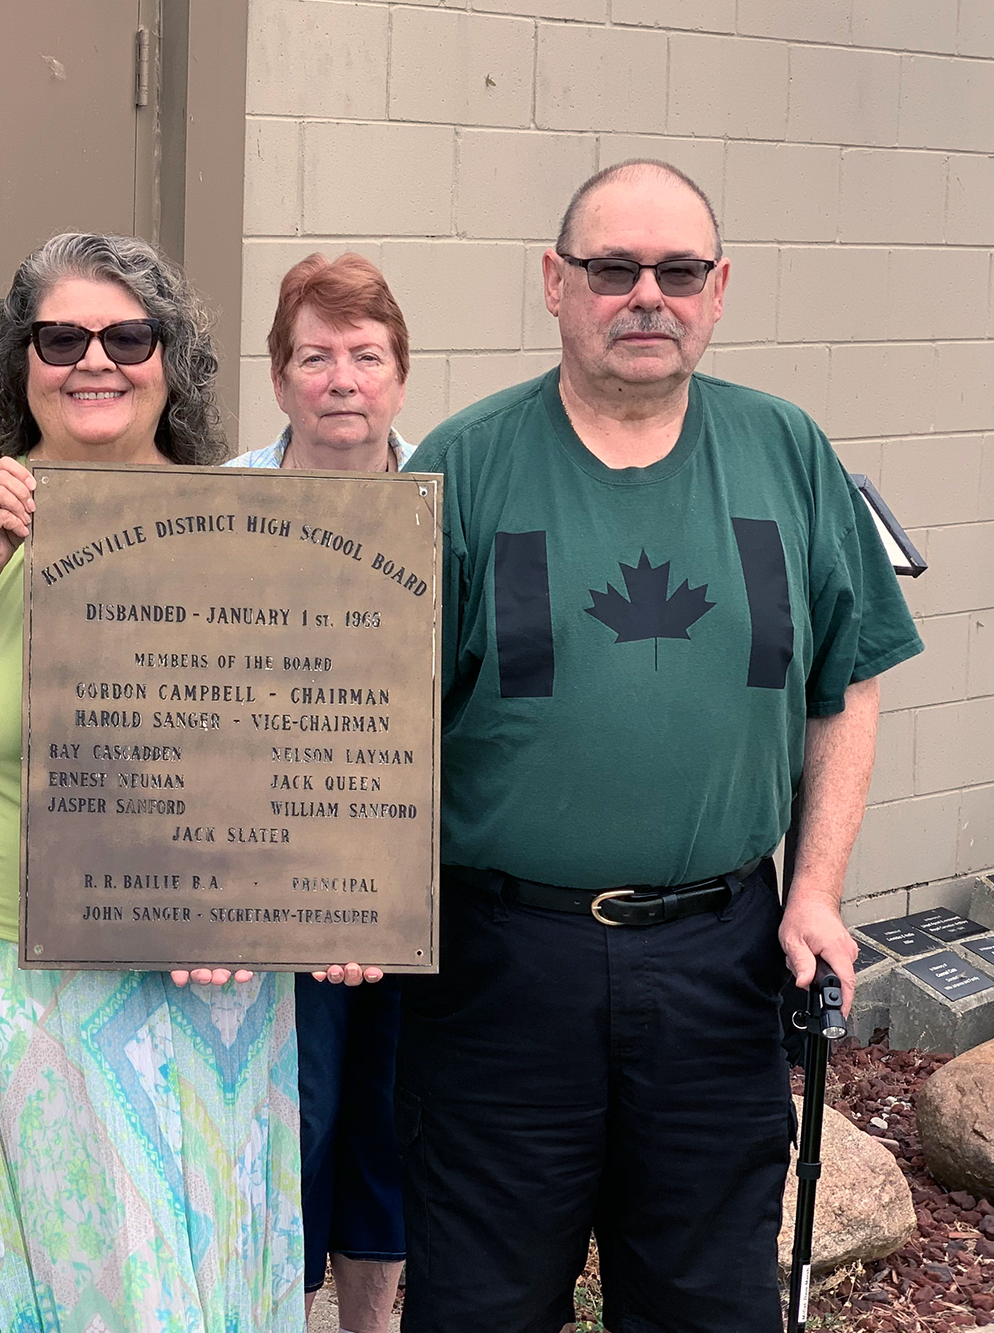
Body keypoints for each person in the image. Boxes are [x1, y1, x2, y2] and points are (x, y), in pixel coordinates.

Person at [397, 159, 923, 1332]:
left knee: (705, 1304)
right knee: (478, 1303)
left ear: (717, 288)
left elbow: (846, 679)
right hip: (500, 971)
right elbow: (370, 722)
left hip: (718, 965)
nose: (646, 295)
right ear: (552, 282)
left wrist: (817, 894)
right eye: (611, 268)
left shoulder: (784, 452)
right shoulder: (463, 465)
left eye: (676, 270)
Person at [0, 232, 305, 1332]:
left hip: (183, 964)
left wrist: (298, 905)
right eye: (61, 337)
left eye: (127, 335)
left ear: (169, 359)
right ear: (18, 362)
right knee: (3, 1269)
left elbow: (295, 748)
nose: (95, 360)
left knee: (165, 1277)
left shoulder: (243, 520)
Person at [227, 251, 410, 1333]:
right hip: (265, 872)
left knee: (389, 1114)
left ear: (397, 372)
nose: (341, 378)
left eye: (365, 354)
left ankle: (373, 1321)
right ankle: (281, 1312)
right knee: (292, 1112)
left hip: (413, 869)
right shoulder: (224, 503)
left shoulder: (454, 495)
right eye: (315, 355)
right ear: (279, 374)